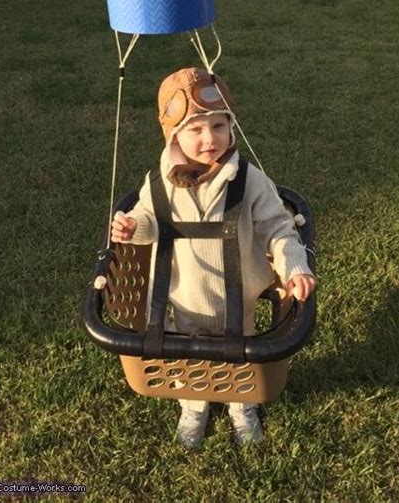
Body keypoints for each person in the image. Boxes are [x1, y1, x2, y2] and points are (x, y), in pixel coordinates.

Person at [111, 67, 316, 449]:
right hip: (185, 294)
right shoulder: (158, 183)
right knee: (190, 358)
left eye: (218, 126)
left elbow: (279, 227)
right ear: (174, 135)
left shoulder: (249, 179)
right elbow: (147, 220)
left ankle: (243, 405)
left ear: (231, 127)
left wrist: (294, 268)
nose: (210, 138)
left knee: (242, 350)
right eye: (196, 129)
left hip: (242, 296)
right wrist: (130, 228)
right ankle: (194, 406)